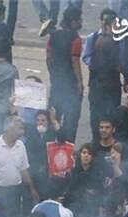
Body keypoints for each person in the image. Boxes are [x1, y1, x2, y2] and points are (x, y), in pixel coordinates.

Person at [47, 7, 83, 143]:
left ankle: (50, 148)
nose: (81, 22)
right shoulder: (76, 39)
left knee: (53, 118)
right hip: (70, 86)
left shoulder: (53, 36)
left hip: (56, 84)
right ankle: (67, 149)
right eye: (79, 20)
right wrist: (79, 82)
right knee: (70, 121)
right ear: (73, 22)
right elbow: (75, 60)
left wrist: (53, 74)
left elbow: (48, 58)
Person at [86, 10, 121, 141]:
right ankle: (98, 142)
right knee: (97, 117)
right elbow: (87, 57)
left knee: (111, 115)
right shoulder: (97, 38)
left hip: (109, 85)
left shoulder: (116, 39)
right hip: (100, 85)